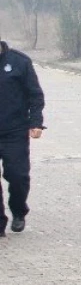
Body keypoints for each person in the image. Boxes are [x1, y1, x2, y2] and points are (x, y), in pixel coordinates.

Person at [0, 36, 45, 237]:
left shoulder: (19, 62)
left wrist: (35, 122)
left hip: (14, 130)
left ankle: (19, 211)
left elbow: (35, 95)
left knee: (17, 176)